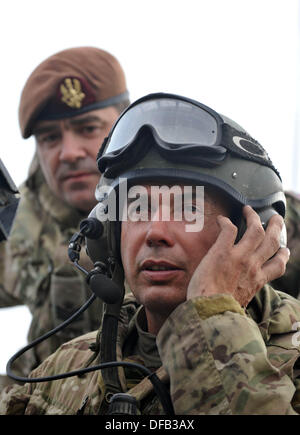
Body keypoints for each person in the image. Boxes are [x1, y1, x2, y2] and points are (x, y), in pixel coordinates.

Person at [1, 92, 300, 415]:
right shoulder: (65, 368)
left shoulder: (291, 361)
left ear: (252, 235)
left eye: (188, 209)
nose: (155, 232)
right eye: (138, 208)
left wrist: (214, 317)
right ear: (111, 235)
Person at [0, 47, 130, 387]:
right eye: (50, 138)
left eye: (87, 129)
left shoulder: (186, 201)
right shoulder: (20, 222)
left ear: (127, 126)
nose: (69, 152)